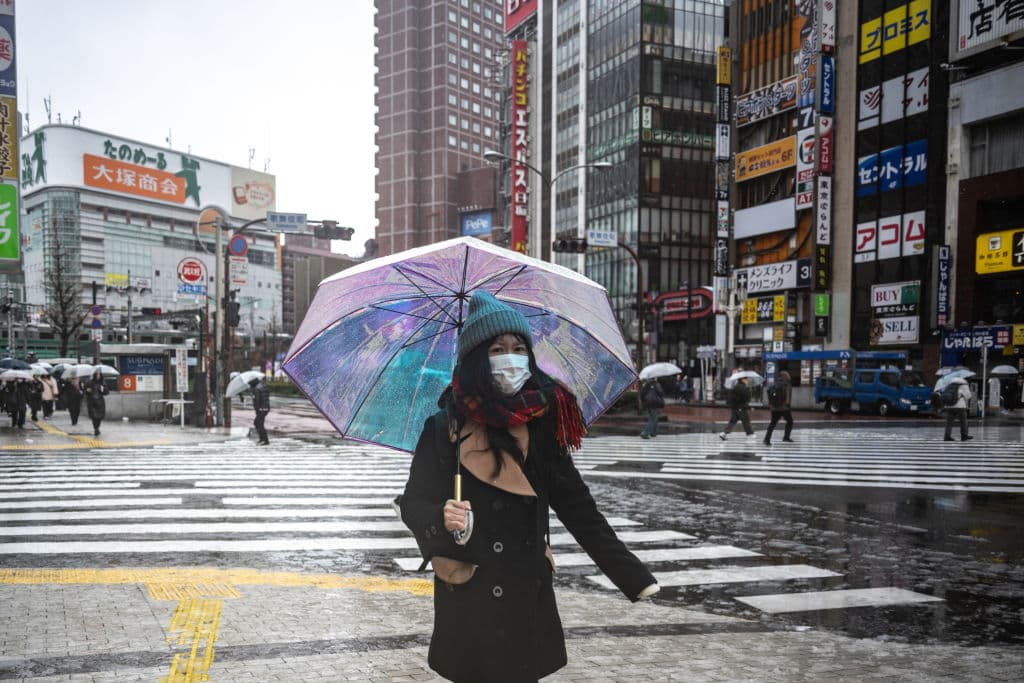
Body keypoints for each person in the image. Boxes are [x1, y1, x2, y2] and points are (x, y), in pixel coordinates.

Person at [399, 291, 658, 682]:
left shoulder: (542, 422)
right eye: (497, 348)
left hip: (525, 590)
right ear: (475, 359)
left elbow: (578, 507)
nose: (511, 357)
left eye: (519, 347)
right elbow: (413, 502)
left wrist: (631, 576)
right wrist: (440, 515)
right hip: (468, 594)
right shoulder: (444, 427)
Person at [763, 370, 794, 445]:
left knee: (772, 424)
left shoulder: (774, 384)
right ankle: (786, 437)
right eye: (787, 375)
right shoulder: (785, 384)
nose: (789, 376)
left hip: (774, 408)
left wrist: (771, 404)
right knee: (790, 422)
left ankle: (767, 439)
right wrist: (787, 405)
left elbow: (768, 393)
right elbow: (786, 397)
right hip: (784, 408)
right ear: (784, 376)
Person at [720, 375, 755, 440]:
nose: (747, 380)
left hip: (735, 407)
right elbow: (746, 398)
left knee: (733, 421)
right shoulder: (743, 387)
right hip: (741, 407)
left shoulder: (736, 386)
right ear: (742, 380)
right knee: (745, 420)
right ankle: (750, 434)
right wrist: (749, 391)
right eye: (746, 379)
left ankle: (724, 433)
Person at [943, 377, 973, 442]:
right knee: (963, 421)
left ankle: (947, 437)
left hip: (949, 406)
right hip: (960, 406)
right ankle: (964, 436)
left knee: (949, 423)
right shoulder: (964, 385)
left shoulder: (949, 384)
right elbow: (968, 396)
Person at [82, 369, 109, 436]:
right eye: (97, 375)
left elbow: (106, 392)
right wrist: (87, 391)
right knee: (94, 417)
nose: (98, 376)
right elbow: (84, 391)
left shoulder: (103, 383)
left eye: (99, 375)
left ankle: (97, 427)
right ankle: (96, 428)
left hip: (100, 402)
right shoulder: (90, 382)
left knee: (99, 417)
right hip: (92, 402)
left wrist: (102, 389)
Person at [250, 377, 270, 445]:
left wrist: (257, 409)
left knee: (258, 423)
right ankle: (263, 439)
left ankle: (264, 440)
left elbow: (257, 401)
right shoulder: (263, 385)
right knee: (258, 423)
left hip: (261, 409)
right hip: (265, 408)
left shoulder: (256, 389)